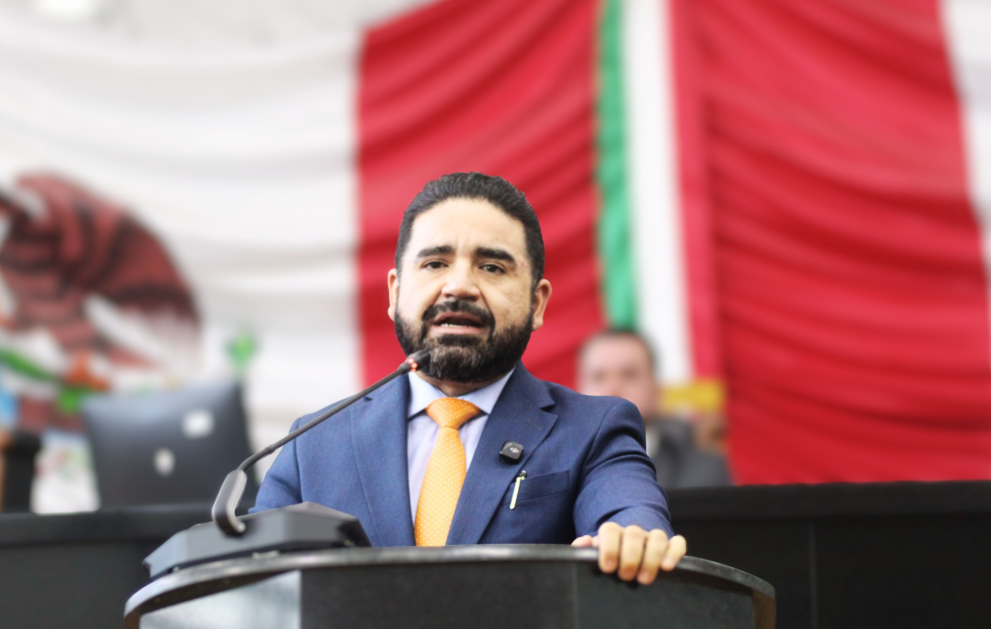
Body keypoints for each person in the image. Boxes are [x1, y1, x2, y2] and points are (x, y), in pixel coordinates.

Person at [255, 172, 686, 584]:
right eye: (435, 263)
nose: (459, 286)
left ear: (536, 303)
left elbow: (628, 513)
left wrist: (631, 536)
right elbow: (254, 585)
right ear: (395, 293)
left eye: (492, 267)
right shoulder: (312, 444)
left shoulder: (593, 430)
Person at [577, 330, 732, 489]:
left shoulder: (703, 470)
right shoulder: (561, 468)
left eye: (629, 375)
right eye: (598, 377)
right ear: (577, 391)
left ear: (655, 389)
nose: (613, 388)